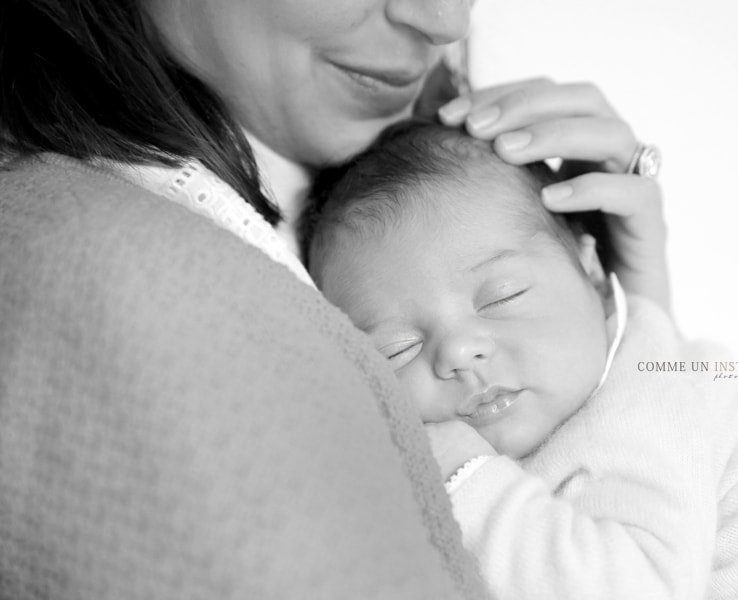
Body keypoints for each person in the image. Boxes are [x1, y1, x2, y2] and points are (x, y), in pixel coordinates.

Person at [0, 1, 673, 598]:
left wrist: (633, 308)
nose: (446, 21)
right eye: (396, 348)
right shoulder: (112, 271)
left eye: (506, 293)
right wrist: (647, 329)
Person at [304, 120, 738, 600]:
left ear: (591, 270)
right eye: (396, 348)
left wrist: (456, 469)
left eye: (503, 295)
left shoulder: (648, 390)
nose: (459, 352)